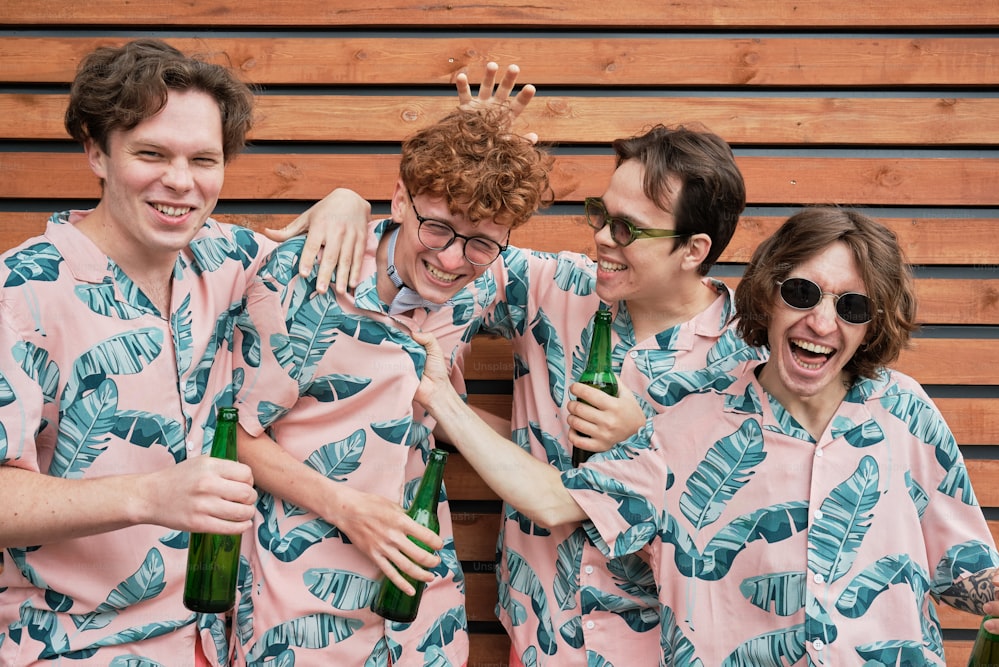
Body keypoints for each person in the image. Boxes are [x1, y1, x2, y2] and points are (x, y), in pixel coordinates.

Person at [302, 63, 758, 664]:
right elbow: (438, 238)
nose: (602, 238)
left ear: (693, 250)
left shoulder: (746, 364)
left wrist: (645, 438)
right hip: (536, 639)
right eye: (601, 213)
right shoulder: (556, 287)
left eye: (627, 229)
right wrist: (351, 202)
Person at [415, 206, 999, 664]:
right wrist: (442, 399)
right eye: (802, 293)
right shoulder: (688, 423)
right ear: (770, 292)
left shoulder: (905, 411)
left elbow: (966, 573)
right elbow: (554, 500)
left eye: (852, 306)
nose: (822, 323)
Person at [0, 39, 372, 666]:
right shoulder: (20, 293)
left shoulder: (228, 258)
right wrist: (147, 496)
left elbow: (373, 261)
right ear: (96, 151)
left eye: (204, 159)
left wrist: (347, 199)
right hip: (75, 649)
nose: (181, 181)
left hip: (217, 643)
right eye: (151, 153)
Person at [232, 103, 553, 666]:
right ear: (401, 199)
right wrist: (345, 506)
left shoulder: (485, 279)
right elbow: (235, 433)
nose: (453, 259)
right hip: (301, 603)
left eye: (481, 242)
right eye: (438, 228)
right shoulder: (300, 278)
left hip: (422, 607)